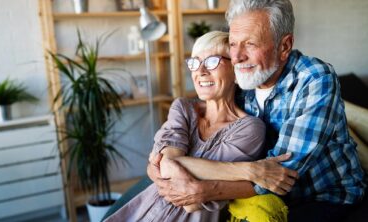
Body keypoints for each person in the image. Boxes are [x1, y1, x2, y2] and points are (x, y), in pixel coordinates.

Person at [148, 0, 366, 221]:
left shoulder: (315, 78)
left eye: (250, 44)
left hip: (325, 197)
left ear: (284, 46)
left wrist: (203, 191)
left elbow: (280, 173)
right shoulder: (241, 83)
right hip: (258, 196)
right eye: (233, 44)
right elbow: (182, 146)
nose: (237, 57)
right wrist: (159, 169)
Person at [104, 31, 272, 222]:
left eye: (211, 62)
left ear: (236, 70)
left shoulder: (250, 129)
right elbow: (166, 165)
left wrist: (165, 164)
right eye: (194, 62)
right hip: (141, 214)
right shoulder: (183, 108)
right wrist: (248, 170)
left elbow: (191, 202)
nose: (200, 72)